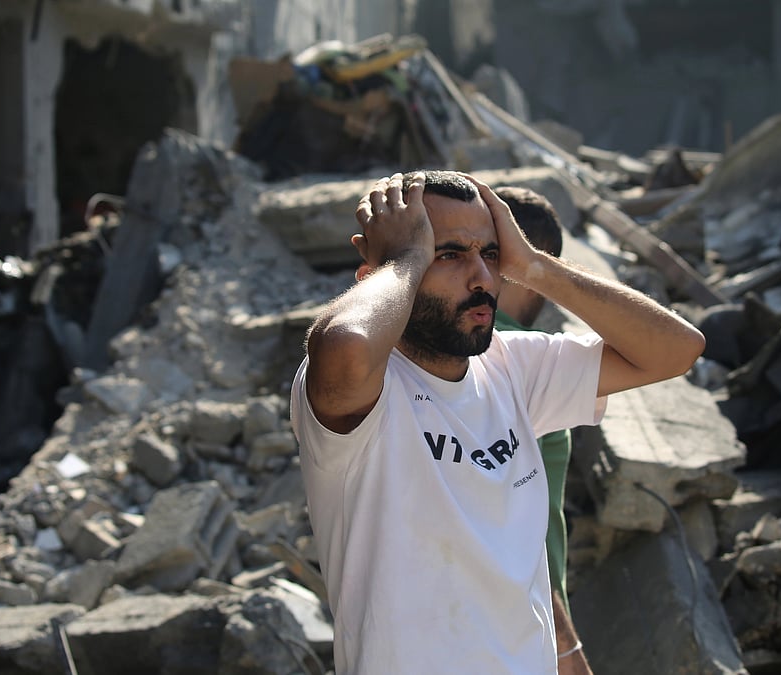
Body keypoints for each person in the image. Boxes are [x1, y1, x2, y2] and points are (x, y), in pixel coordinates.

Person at [290, 170, 704, 674]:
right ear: (376, 274)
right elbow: (347, 348)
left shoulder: (516, 369)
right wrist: (404, 258)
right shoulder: (365, 392)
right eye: (448, 254)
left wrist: (533, 266)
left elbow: (677, 350)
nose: (482, 279)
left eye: (489, 254)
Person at [491, 186, 574, 613]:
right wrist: (565, 642)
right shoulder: (529, 359)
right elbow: (520, 522)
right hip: (526, 626)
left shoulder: (434, 350)